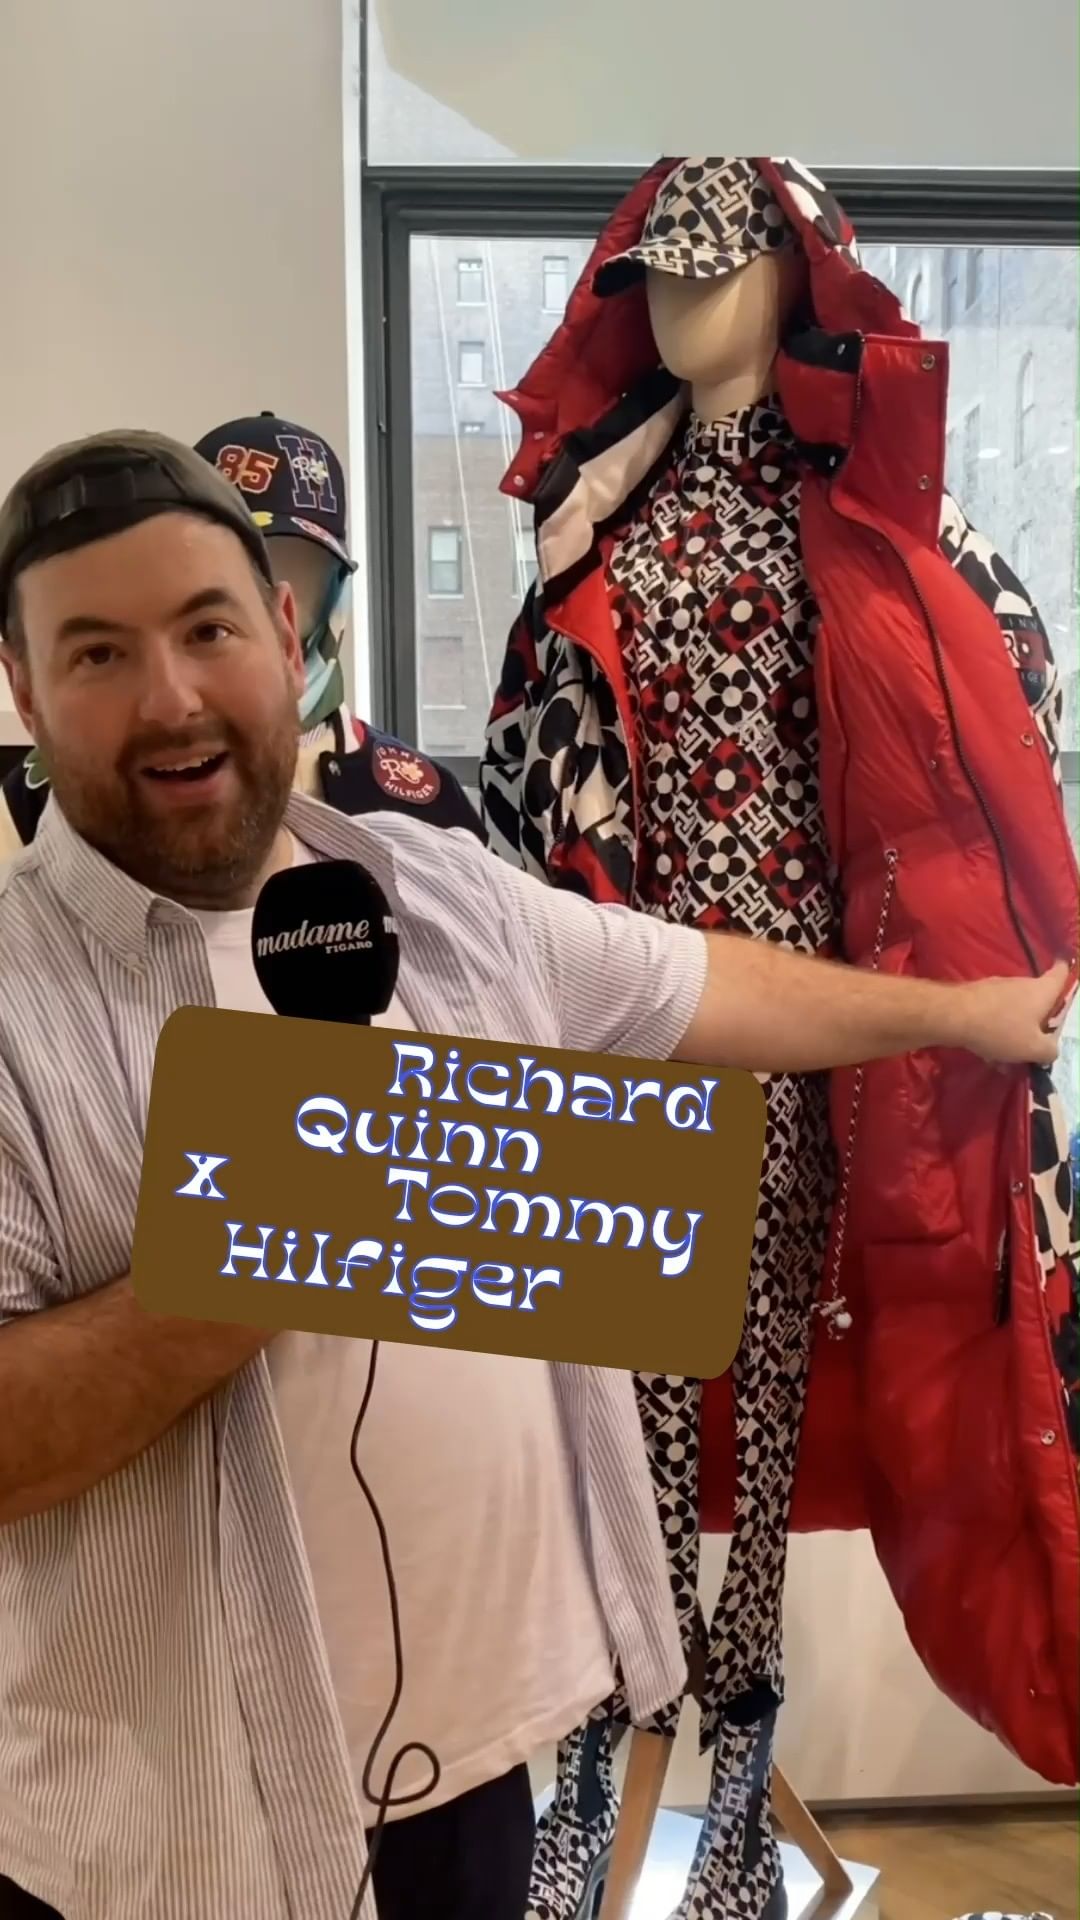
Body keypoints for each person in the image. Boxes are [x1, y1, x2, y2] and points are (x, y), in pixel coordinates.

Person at [0, 431, 1067, 1920]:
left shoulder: (429, 889)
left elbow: (697, 986)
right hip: (174, 1840)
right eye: (99, 654)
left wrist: (962, 1014)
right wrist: (283, 1229)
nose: (171, 696)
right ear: (23, 688)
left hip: (480, 1771)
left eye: (207, 629)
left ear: (288, 636)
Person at [0, 408, 484, 857]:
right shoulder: (34, 800)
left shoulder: (420, 797)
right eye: (101, 653)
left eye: (299, 567)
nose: (174, 701)